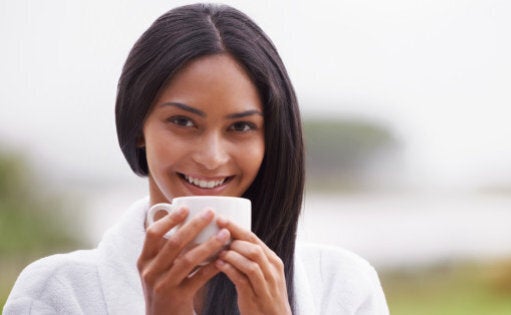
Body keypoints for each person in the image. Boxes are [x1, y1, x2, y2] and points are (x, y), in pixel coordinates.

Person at [3, 3, 388, 314]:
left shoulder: (344, 287)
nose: (211, 157)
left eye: (240, 127)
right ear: (139, 126)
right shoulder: (57, 293)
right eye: (183, 122)